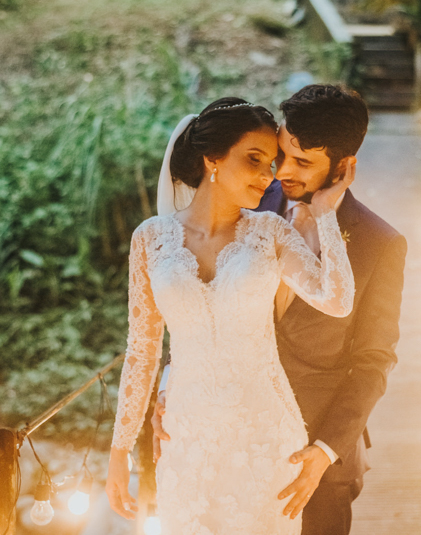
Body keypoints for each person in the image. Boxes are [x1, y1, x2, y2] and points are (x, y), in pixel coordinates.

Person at [152, 85, 406, 535]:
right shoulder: (244, 204)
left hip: (314, 458)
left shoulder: (379, 245)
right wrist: (172, 389)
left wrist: (325, 450)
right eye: (281, 154)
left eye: (302, 162)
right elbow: (195, 304)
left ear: (344, 167)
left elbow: (375, 361)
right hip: (226, 445)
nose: (281, 172)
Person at [105, 97, 357, 535]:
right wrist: (119, 450)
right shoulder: (150, 239)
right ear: (212, 159)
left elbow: (337, 300)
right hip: (187, 440)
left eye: (272, 163)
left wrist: (326, 214)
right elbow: (142, 352)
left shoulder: (270, 232)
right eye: (254, 160)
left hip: (264, 437)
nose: (268, 176)